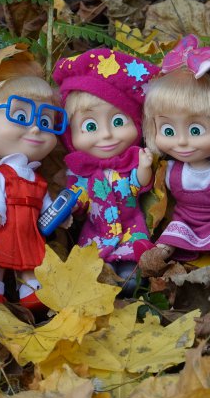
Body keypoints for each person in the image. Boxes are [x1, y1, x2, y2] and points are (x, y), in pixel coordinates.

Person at [139, 34, 210, 282]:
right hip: (184, 218)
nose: (181, 141)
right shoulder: (171, 169)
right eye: (168, 131)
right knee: (172, 235)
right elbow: (153, 190)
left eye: (196, 130)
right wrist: (144, 168)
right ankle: (155, 256)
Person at [52, 48, 158, 290]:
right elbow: (79, 198)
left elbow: (137, 184)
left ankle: (131, 270)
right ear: (69, 134)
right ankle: (107, 272)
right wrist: (71, 207)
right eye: (90, 126)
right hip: (96, 233)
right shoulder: (81, 174)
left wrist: (144, 167)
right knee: (97, 268)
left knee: (131, 275)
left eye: (118, 121)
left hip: (131, 228)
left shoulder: (130, 163)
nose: (107, 135)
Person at [0, 76, 65, 308]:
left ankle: (31, 291)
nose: (36, 128)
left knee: (31, 259)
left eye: (46, 121)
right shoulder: (1, 174)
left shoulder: (37, 178)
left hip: (29, 228)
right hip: (4, 226)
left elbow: (46, 204)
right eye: (20, 117)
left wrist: (59, 216)